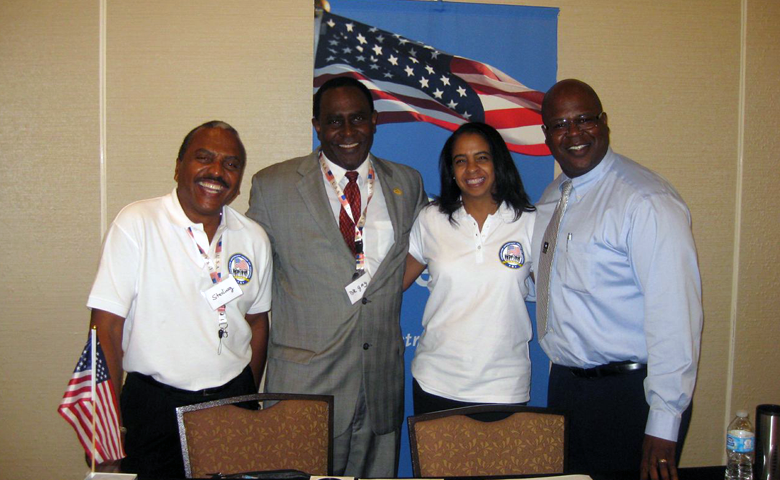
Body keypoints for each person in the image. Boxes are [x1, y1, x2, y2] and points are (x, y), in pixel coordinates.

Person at [246, 76, 427, 477]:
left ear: (374, 120)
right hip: (304, 388)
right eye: (334, 121)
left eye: (358, 118)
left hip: (379, 387)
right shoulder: (272, 186)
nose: (347, 131)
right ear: (317, 125)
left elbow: (423, 251)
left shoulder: (408, 183)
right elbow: (246, 277)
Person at [532, 79, 702, 479]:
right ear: (546, 134)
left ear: (604, 122)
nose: (574, 133)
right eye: (560, 125)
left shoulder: (646, 201)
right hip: (567, 388)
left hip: (629, 395)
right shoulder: (553, 197)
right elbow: (547, 284)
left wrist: (663, 422)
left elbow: (675, 317)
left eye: (584, 120)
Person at [87, 121, 272, 477]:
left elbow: (257, 322)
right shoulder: (137, 223)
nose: (216, 171)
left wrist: (245, 397)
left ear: (238, 182)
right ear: (178, 167)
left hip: (231, 402)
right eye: (204, 158)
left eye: (231, 164)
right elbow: (105, 329)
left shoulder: (253, 238)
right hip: (154, 408)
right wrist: (106, 428)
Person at [403, 122, 536, 415]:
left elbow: (554, 290)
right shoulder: (431, 219)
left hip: (504, 385)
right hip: (436, 380)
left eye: (482, 158)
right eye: (461, 161)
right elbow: (392, 283)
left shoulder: (529, 222)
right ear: (452, 170)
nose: (472, 169)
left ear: (498, 162)